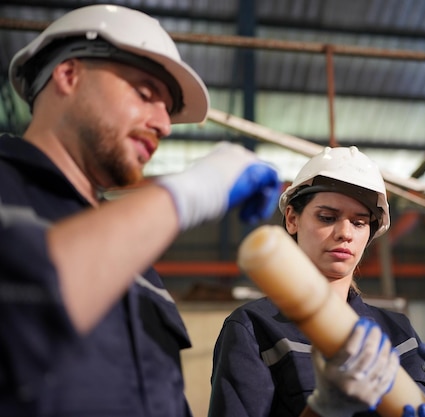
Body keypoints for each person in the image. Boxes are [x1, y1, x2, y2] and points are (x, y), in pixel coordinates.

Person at [0, 4, 281, 416]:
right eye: (146, 94)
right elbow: (27, 305)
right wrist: (190, 192)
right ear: (69, 75)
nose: (164, 125)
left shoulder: (139, 266)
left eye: (168, 110)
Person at [208, 146, 425, 417]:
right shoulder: (254, 329)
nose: (345, 232)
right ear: (292, 219)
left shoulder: (400, 333)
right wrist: (324, 408)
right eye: (327, 217)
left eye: (359, 222)